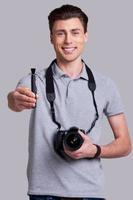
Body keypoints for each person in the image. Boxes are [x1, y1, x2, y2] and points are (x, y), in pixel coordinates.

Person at [7, 4, 131, 200]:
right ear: (51, 38)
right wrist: (13, 99)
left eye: (75, 32)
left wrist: (95, 150)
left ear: (85, 36)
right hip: (43, 193)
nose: (68, 40)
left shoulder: (106, 85)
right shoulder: (34, 81)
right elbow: (15, 101)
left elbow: (125, 144)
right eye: (60, 33)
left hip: (91, 193)